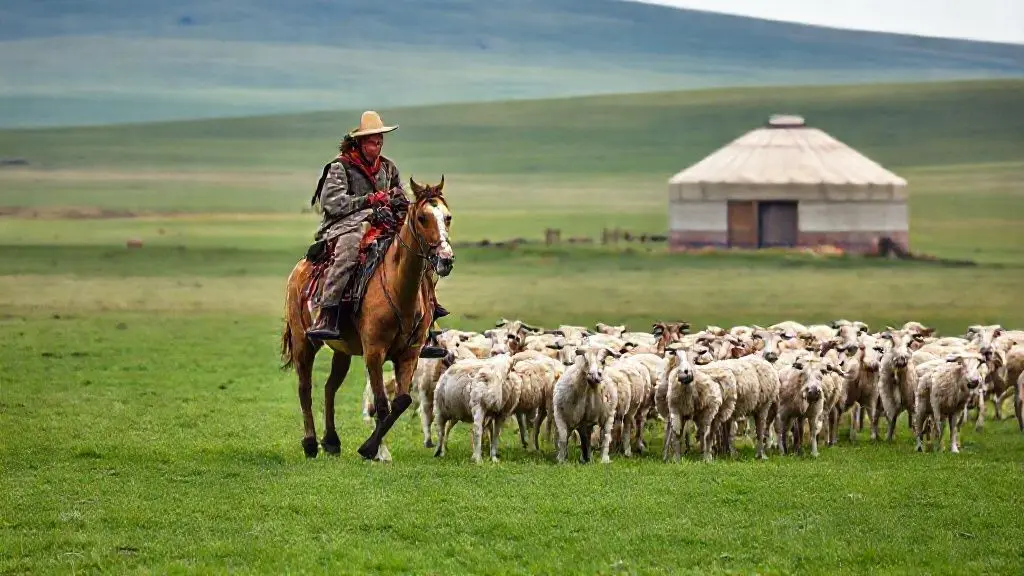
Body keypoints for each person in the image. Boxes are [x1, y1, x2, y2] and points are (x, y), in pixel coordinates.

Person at [306, 111, 448, 342]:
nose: (378, 145)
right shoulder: (340, 167)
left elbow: (398, 194)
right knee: (349, 251)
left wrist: (398, 202)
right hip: (346, 225)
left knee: (417, 248)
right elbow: (332, 203)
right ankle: (328, 313)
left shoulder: (388, 168)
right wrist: (369, 201)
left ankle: (429, 313)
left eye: (380, 141)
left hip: (383, 222)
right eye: (373, 141)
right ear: (360, 142)